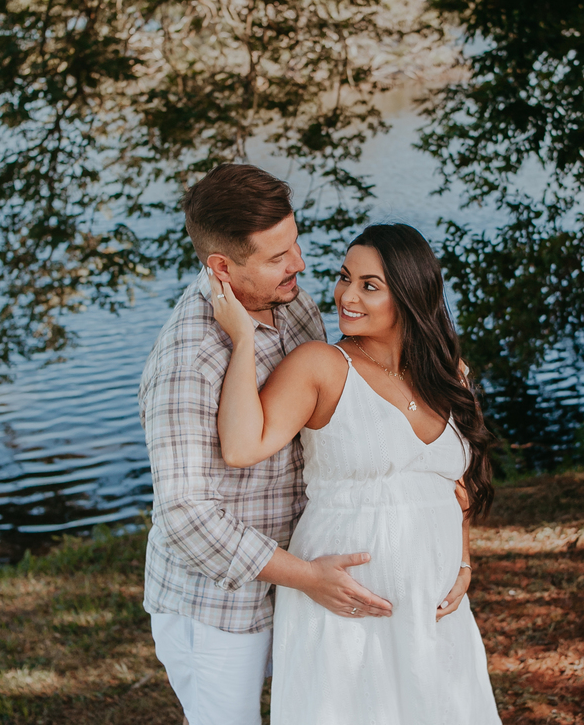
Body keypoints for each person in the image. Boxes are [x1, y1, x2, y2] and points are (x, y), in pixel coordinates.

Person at [138, 165, 471, 725]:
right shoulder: (187, 362)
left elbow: (342, 418)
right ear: (222, 266)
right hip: (221, 605)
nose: (300, 265)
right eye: (277, 256)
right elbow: (185, 517)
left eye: (295, 244)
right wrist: (306, 575)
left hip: (312, 588)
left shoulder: (291, 302)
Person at [208, 222, 501, 724]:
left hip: (432, 609)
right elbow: (240, 446)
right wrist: (242, 341)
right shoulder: (321, 365)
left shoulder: (448, 373)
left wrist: (464, 562)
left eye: (370, 285)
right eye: (345, 277)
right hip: (345, 607)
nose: (346, 295)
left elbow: (457, 485)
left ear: (410, 296)